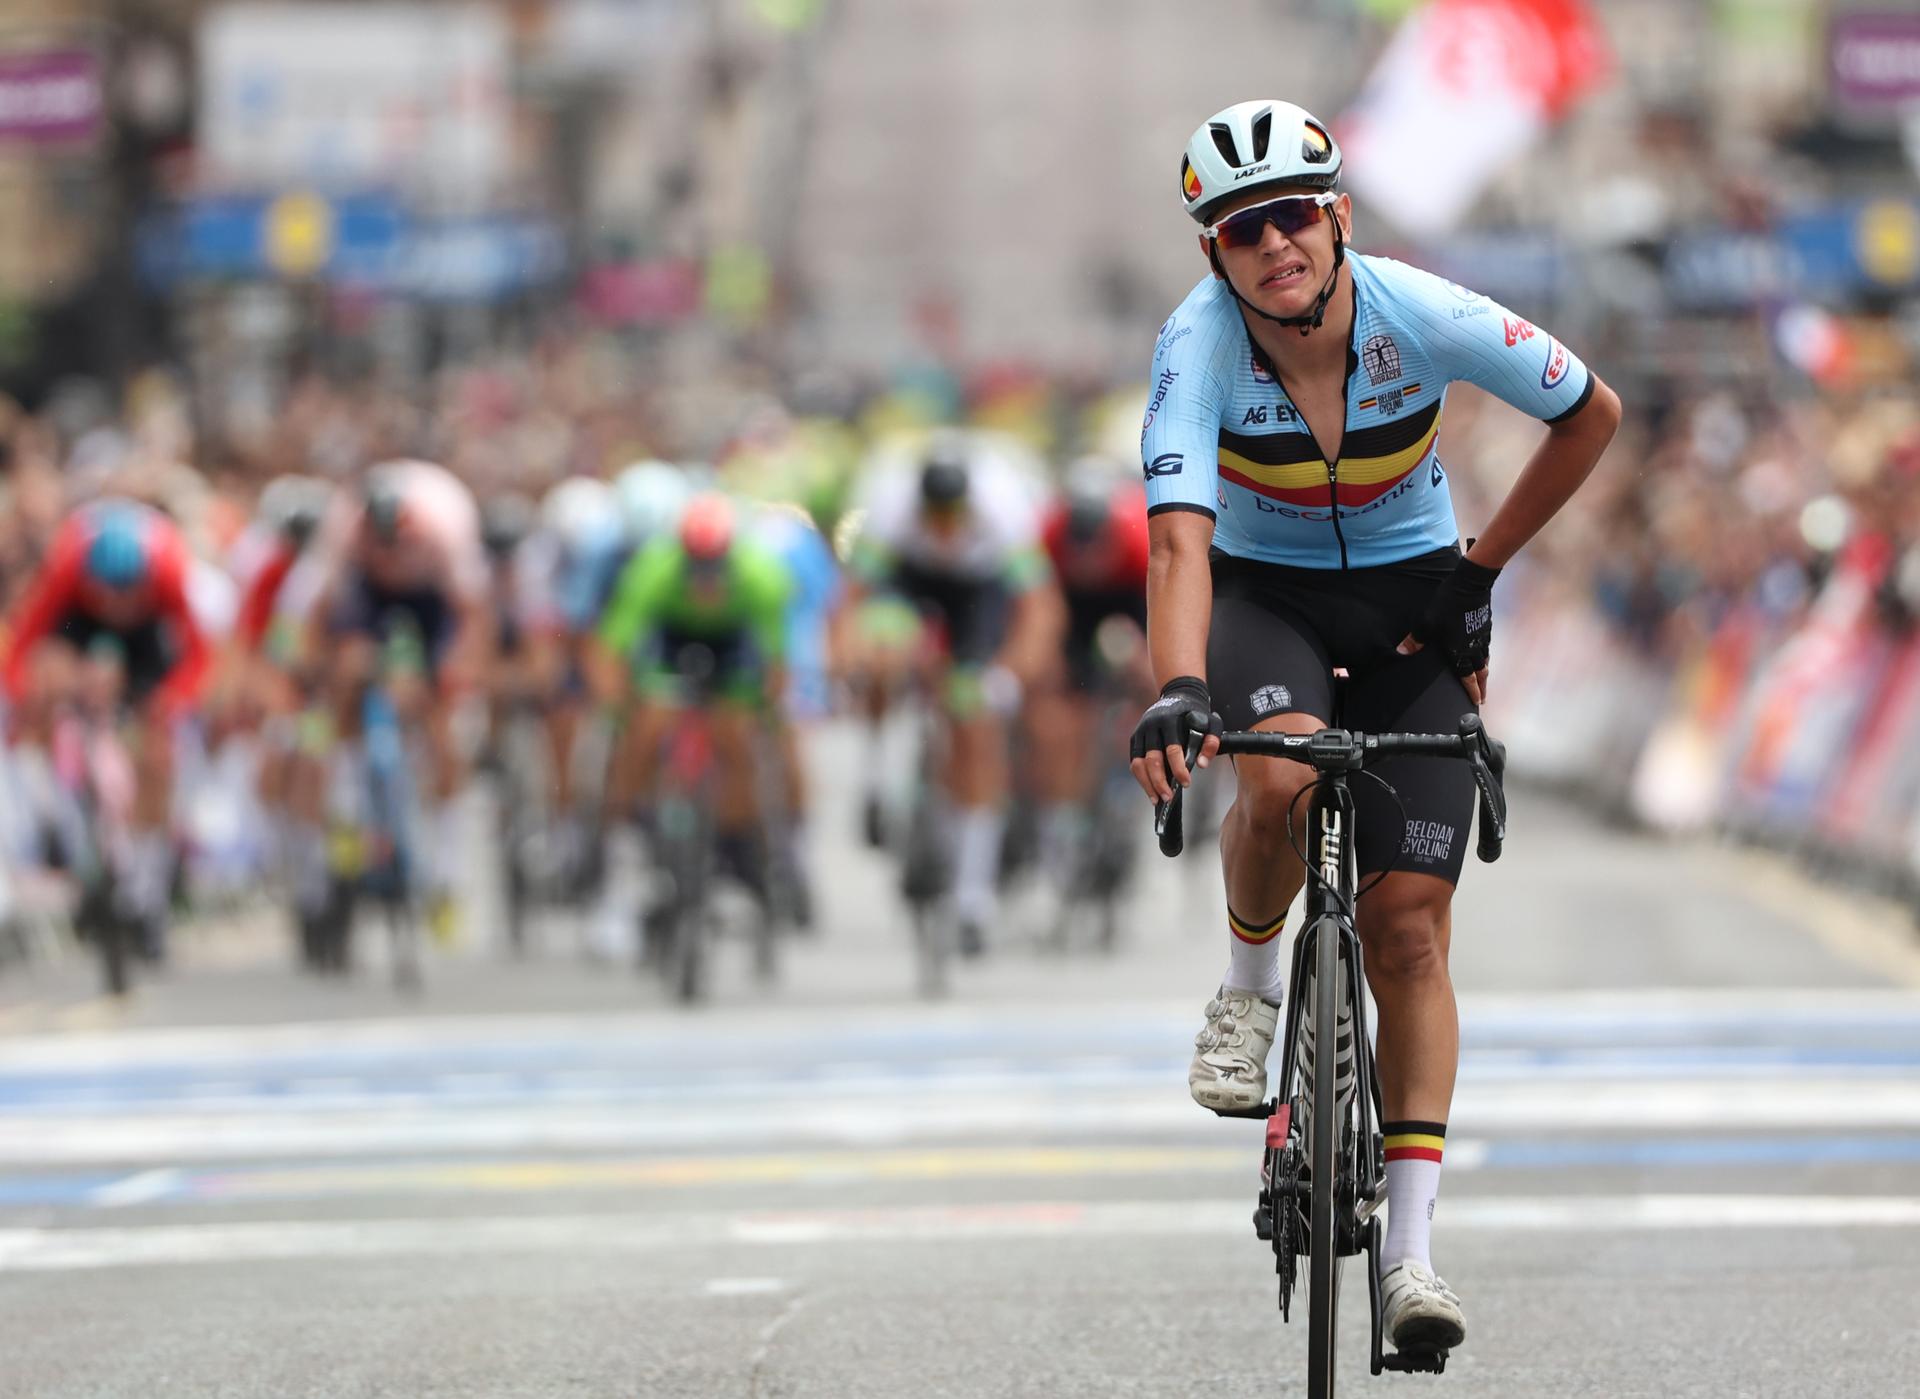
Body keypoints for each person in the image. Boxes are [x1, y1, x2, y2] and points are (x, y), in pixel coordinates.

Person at [1128, 99, 1621, 1354]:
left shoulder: (1420, 311)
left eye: (1295, 214)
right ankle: (1247, 990)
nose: (1274, 244)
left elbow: (1592, 413)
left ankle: (1409, 1255)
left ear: (1337, 216)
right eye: (1243, 230)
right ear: (1213, 254)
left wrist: (1482, 570)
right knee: (1282, 784)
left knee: (1409, 927)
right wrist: (1178, 685)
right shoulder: (1195, 350)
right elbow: (1180, 537)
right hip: (1266, 600)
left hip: (1416, 600)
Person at [842, 430, 1063, 954]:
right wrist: (850, 658)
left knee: (975, 723)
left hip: (978, 590)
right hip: (908, 579)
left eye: (952, 518)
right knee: (881, 652)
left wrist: (1008, 674)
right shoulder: (890, 504)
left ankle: (972, 893)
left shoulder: (1003, 512)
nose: (942, 529)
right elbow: (850, 600)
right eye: (933, 519)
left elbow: (1039, 610)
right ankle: (875, 774)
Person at [2, 497, 212, 954]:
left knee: (155, 754)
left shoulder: (169, 572)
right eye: (109, 594)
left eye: (127, 594)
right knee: (52, 676)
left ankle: (149, 897)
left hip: (146, 646)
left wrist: (167, 703)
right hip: (81, 631)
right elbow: (22, 648)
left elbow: (199, 657)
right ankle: (69, 818)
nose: (118, 604)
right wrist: (29, 702)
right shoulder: (66, 568)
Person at [595, 493, 794, 920]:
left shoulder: (761, 576)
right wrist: (618, 709)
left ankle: (734, 839)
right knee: (645, 729)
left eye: (714, 571)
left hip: (733, 647)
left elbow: (777, 660)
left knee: (736, 738)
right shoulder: (654, 569)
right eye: (697, 570)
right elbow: (613, 647)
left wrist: (766, 711)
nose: (706, 583)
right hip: (673, 642)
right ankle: (637, 825)